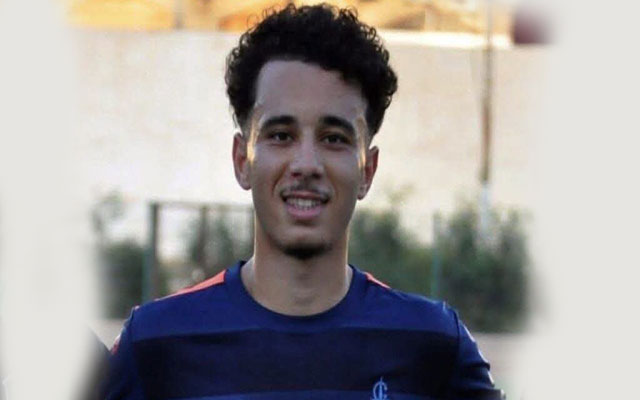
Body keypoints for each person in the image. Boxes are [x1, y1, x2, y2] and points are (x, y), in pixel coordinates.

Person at [102, 4, 504, 399]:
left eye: (334, 139)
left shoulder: (434, 345)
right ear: (242, 161)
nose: (306, 164)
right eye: (281, 135)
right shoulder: (155, 346)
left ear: (367, 170)